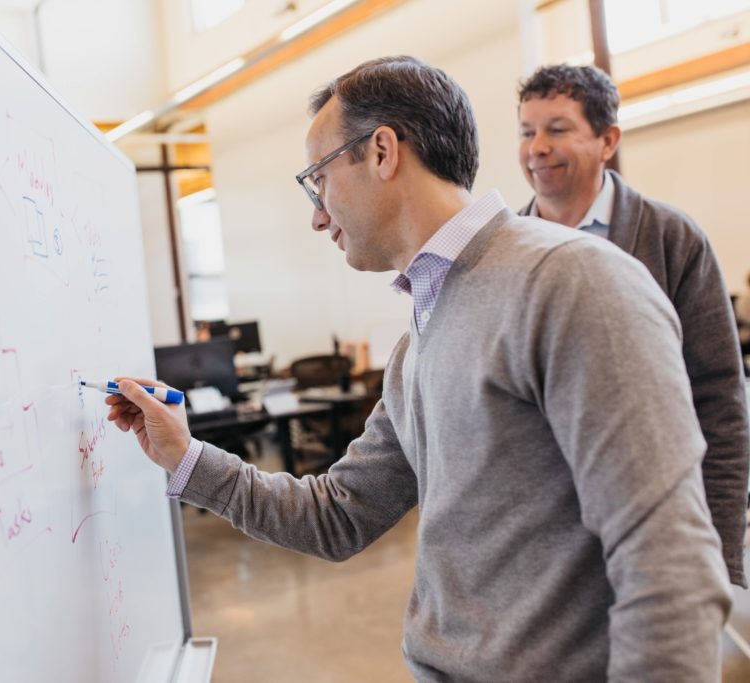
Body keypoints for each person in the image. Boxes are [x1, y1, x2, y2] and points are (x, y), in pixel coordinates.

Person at [109, 56, 731, 680]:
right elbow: (339, 514)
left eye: (318, 180)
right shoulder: (420, 338)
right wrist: (184, 456)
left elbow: (668, 562)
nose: (318, 215)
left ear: (382, 152)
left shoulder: (571, 281)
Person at [517, 64, 750, 586]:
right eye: (527, 131)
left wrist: (722, 560)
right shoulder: (502, 252)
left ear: (608, 140)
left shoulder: (672, 240)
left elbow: (719, 401)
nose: (537, 147)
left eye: (558, 129)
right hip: (542, 550)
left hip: (655, 530)